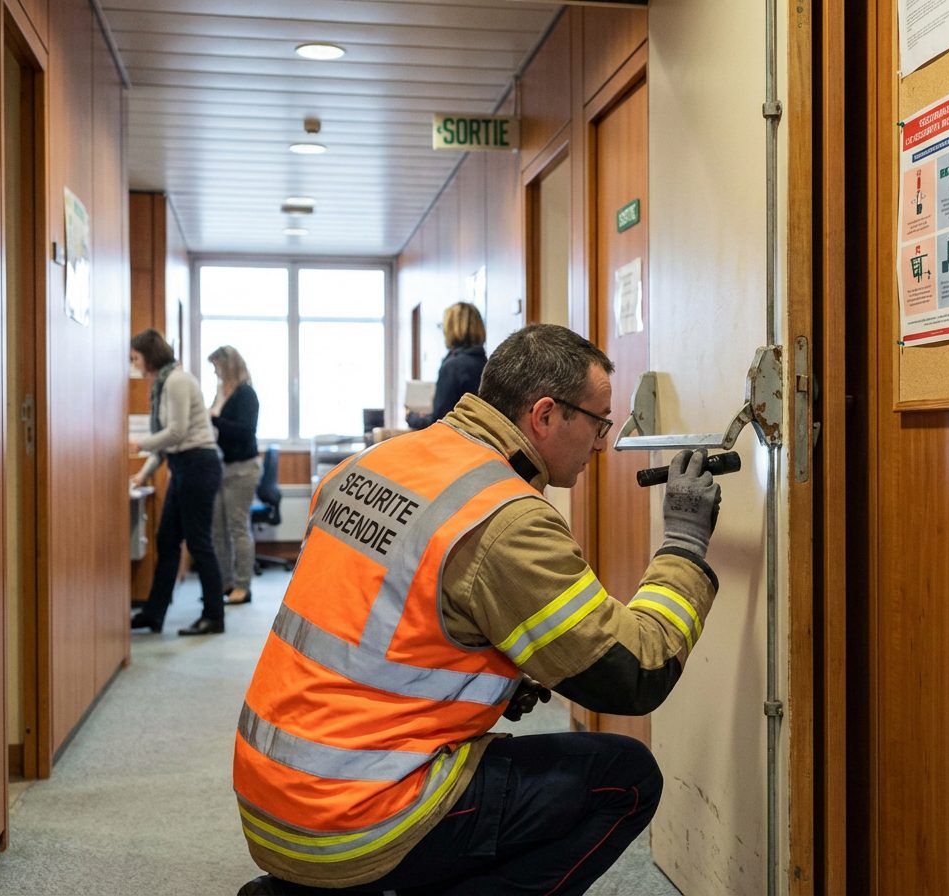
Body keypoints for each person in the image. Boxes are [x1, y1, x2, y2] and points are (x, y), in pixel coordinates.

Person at [235, 323, 723, 895]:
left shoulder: (376, 462)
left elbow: (377, 621)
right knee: (625, 779)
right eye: (598, 423)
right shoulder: (504, 517)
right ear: (545, 415)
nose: (601, 443)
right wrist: (684, 543)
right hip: (356, 818)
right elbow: (634, 673)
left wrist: (490, 678)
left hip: (271, 793)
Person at [129, 329, 225, 636]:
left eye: (136, 358)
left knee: (198, 542)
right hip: (183, 465)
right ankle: (153, 613)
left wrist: (138, 444)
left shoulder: (176, 381)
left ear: (149, 356)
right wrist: (143, 473)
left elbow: (176, 432)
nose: (134, 365)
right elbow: (167, 445)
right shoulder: (162, 384)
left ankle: (214, 615)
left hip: (198, 464)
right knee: (167, 540)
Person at [207, 345, 261, 606]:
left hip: (242, 469)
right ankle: (225, 583)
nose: (215, 372)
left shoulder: (246, 394)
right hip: (223, 467)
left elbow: (244, 431)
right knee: (218, 529)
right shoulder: (221, 394)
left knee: (238, 528)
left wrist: (214, 419)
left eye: (217, 366)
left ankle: (242, 586)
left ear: (228, 366)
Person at [405, 301, 487, 429]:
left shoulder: (453, 367)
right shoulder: (487, 364)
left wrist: (411, 417)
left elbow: (439, 422)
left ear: (450, 328)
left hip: (455, 439)